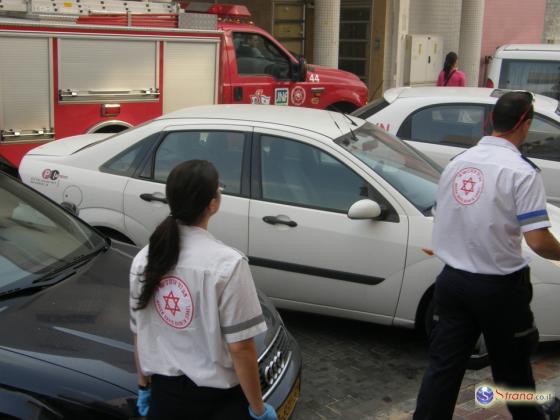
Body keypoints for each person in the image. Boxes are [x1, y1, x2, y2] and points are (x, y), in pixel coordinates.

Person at [413, 91, 560, 420]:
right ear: (525, 124)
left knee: (442, 370)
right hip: (499, 289)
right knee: (513, 371)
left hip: (451, 283)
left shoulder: (457, 163)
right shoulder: (521, 171)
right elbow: (538, 241)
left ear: (493, 121)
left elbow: (446, 216)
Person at [130, 160, 277, 420]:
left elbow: (140, 331)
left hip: (165, 400)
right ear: (213, 204)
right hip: (219, 404)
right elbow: (241, 348)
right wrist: (258, 409)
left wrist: (143, 385)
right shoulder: (228, 265)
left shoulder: (144, 258)